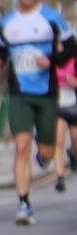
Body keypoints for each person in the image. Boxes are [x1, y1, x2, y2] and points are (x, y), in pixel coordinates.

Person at [0, 0, 76, 223]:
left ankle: (44, 150)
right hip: (19, 93)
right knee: (20, 147)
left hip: (47, 93)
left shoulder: (51, 19)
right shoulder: (7, 22)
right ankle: (24, 204)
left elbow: (72, 49)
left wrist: (49, 60)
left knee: (48, 154)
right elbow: (2, 48)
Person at [54, 56, 77, 193]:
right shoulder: (52, 61)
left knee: (75, 140)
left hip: (74, 106)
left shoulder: (74, 61)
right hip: (58, 107)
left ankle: (73, 154)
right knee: (58, 142)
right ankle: (60, 177)